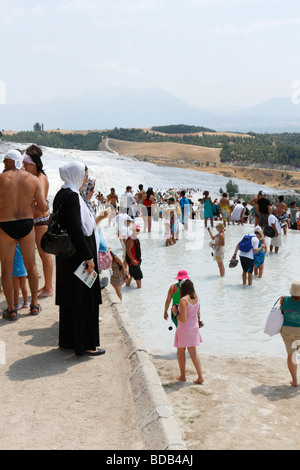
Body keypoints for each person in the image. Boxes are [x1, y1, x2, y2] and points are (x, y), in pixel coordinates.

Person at [53, 161, 104, 356]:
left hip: (67, 256)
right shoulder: (73, 196)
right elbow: (76, 229)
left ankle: (68, 341)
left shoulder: (61, 193)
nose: (85, 180)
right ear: (75, 175)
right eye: (83, 176)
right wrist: (88, 258)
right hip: (79, 257)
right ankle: (86, 345)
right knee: (84, 300)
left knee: (71, 299)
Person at [0, 149, 48, 320]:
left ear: (12, 161)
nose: (4, 164)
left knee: (6, 269)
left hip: (5, 225)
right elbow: (44, 208)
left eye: (5, 161)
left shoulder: (1, 179)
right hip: (26, 224)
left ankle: (11, 309)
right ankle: (34, 305)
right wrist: (32, 209)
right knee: (31, 266)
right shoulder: (33, 179)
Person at [23, 145, 54, 298]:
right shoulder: (33, 177)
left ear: (33, 164)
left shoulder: (41, 179)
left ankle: (49, 287)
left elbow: (38, 203)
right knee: (42, 254)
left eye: (25, 164)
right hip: (37, 219)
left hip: (41, 219)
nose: (23, 167)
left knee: (44, 253)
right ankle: (46, 286)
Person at [171, 279, 204, 384]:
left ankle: (183, 376)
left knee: (180, 352)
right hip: (194, 328)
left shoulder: (183, 300)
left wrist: (175, 312)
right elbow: (197, 314)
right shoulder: (196, 297)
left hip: (184, 329)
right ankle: (200, 377)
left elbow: (183, 319)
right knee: (193, 353)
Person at [279, 281, 300, 387]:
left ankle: (295, 381)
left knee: (291, 355)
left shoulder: (283, 299)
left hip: (287, 331)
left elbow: (282, 311)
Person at [12, 243, 29, 311]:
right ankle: (25, 302)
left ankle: (16, 304)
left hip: (14, 270)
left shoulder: (11, 245)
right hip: (23, 268)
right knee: (23, 287)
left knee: (16, 289)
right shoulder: (22, 245)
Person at [125, 223, 143, 288]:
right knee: (138, 277)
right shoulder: (131, 239)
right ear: (133, 230)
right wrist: (133, 260)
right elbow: (128, 251)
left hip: (133, 261)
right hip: (134, 262)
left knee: (131, 274)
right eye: (137, 230)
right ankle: (139, 292)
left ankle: (126, 288)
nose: (138, 231)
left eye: (139, 230)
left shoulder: (135, 238)